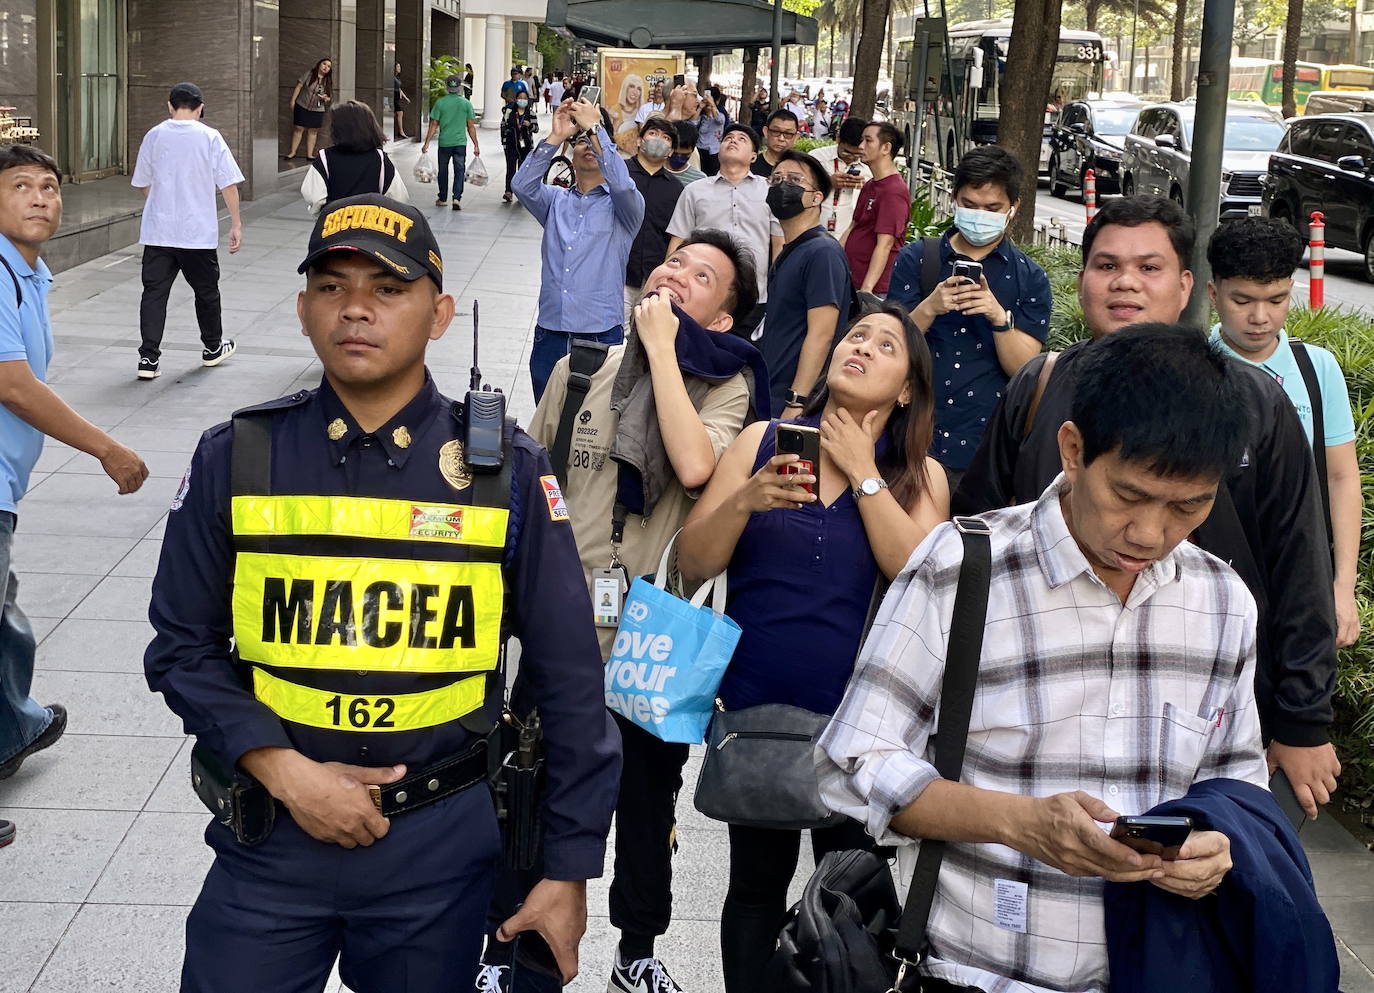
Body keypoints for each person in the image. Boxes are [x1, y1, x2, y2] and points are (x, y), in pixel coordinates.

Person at [144, 193, 620, 993]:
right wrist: (287, 771)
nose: (355, 308)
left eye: (387, 288)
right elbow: (181, 650)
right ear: (302, 309)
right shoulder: (240, 455)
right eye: (331, 287)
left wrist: (568, 870)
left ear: (439, 314)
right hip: (270, 840)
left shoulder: (503, 470)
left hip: (438, 856)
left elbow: (571, 677)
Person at [818, 322, 1280, 993]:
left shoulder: (1222, 601)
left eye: (1188, 506)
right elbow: (850, 761)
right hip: (975, 973)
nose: (1151, 533)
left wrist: (1222, 850)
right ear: (1072, 449)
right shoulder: (961, 566)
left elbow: (1234, 784)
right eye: (1128, 494)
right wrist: (1020, 822)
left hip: (1160, 970)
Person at [954, 196, 1342, 821]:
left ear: (1187, 285)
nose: (1125, 281)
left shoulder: (1252, 403)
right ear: (1081, 280)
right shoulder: (1039, 387)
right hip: (1039, 699)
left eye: (1149, 267)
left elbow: (1299, 561)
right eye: (1106, 265)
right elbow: (979, 533)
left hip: (1202, 712)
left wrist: (1302, 720)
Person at [676, 303, 948, 993]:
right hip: (759, 709)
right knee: (755, 886)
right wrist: (745, 501)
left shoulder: (921, 475)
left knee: (854, 895)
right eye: (856, 335)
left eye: (885, 345)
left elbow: (920, 578)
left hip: (865, 727)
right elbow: (693, 561)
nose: (861, 346)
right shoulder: (764, 441)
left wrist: (863, 472)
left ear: (908, 388)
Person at [526, 231, 767, 993]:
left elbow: (697, 466)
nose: (676, 275)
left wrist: (663, 350)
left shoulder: (725, 387)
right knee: (532, 787)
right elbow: (534, 483)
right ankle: (515, 941)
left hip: (653, 633)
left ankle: (635, 950)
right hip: (563, 624)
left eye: (702, 276)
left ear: (724, 320)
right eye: (672, 262)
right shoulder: (581, 365)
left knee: (644, 803)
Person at [0, 145, 150, 837]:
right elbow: (14, 385)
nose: (40, 197)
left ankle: (13, 729)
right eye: (21, 186)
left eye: (50, 187)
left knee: (6, 614)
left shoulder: (26, 270)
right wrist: (107, 447)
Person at [1207, 215, 1361, 649]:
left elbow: (1342, 478)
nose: (1260, 317)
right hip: (1213, 581)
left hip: (1300, 583)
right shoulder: (1192, 370)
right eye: (1243, 300)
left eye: (1276, 300)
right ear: (1213, 294)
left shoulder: (1317, 369)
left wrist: (1342, 588)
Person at [886, 146, 1049, 490]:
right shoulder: (918, 258)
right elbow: (890, 343)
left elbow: (1023, 368)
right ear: (955, 200)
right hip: (910, 434)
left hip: (982, 445)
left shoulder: (1029, 278)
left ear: (1012, 209)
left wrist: (998, 317)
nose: (980, 215)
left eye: (992, 208)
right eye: (970, 205)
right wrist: (930, 307)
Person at [513, 99, 645, 402]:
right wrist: (556, 137)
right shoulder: (555, 201)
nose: (588, 144)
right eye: (581, 140)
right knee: (547, 424)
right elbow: (522, 186)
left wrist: (596, 128)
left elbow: (623, 187)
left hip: (598, 335)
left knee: (591, 430)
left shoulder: (624, 207)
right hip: (551, 333)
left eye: (594, 140)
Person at [130, 81, 244, 381]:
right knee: (206, 292)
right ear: (200, 107)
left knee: (154, 294)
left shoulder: (154, 135)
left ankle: (148, 358)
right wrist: (235, 223)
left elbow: (142, 181)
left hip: (158, 231)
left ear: (170, 106)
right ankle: (212, 347)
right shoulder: (210, 137)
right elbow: (228, 184)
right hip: (198, 232)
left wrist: (160, 201)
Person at [759, 151, 853, 417]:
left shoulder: (822, 253)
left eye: (794, 179)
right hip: (771, 391)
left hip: (792, 402)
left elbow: (821, 334)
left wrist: (797, 400)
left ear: (816, 198)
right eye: (776, 178)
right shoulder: (791, 251)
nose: (782, 185)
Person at [667, 123, 781, 337]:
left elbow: (778, 244)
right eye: (728, 137)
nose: (733, 140)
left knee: (744, 360)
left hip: (755, 295)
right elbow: (678, 240)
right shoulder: (695, 190)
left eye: (742, 139)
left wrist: (778, 291)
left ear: (754, 157)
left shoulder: (769, 190)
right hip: (700, 293)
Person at [623, 118, 684, 322]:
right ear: (640, 141)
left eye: (666, 138)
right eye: (653, 133)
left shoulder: (676, 188)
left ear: (670, 151)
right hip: (616, 275)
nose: (659, 140)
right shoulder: (620, 175)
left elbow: (675, 235)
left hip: (653, 279)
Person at [301, 100, 410, 215]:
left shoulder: (325, 157)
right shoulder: (380, 159)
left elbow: (315, 198)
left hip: (335, 227)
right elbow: (399, 197)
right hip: (371, 227)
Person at [839, 121, 908, 295]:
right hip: (851, 280)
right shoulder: (870, 184)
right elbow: (853, 226)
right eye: (861, 140)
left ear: (886, 148)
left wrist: (866, 290)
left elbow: (885, 244)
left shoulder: (893, 191)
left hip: (874, 289)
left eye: (868, 141)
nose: (861, 146)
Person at [421, 74, 480, 211]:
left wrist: (426, 143)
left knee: (443, 171)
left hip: (444, 143)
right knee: (459, 170)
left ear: (447, 87)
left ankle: (442, 198)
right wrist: (476, 144)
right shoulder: (466, 103)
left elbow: (434, 124)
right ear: (460, 88)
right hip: (460, 143)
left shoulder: (440, 103)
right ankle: (456, 198)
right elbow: (470, 126)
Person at [809, 116, 870, 238]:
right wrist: (827, 183)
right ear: (838, 139)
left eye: (856, 154)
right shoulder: (817, 158)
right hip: (816, 231)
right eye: (846, 152)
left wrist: (867, 187)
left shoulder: (869, 166)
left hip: (851, 236)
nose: (851, 157)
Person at [288, 57, 334, 160]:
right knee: (299, 128)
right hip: (302, 105)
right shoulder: (309, 74)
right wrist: (293, 100)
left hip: (317, 109)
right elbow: (299, 86)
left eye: (328, 66)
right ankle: (292, 152)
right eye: (324, 64)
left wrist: (325, 98)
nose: (326, 67)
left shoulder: (327, 81)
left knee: (313, 131)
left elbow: (329, 97)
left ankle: (310, 155)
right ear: (319, 64)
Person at [500, 92, 539, 204]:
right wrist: (504, 142)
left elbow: (536, 129)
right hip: (511, 145)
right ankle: (508, 191)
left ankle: (521, 193)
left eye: (524, 98)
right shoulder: (509, 112)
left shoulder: (530, 113)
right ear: (516, 99)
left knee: (523, 170)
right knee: (510, 168)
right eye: (520, 98)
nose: (522, 100)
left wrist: (529, 125)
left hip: (525, 146)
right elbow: (503, 126)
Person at [751, 109, 800, 177]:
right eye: (776, 131)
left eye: (788, 133)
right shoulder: (750, 166)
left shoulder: (802, 169)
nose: (781, 138)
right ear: (766, 132)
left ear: (796, 137)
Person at [666, 121, 707, 186]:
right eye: (675, 154)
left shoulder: (700, 180)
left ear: (693, 151)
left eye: (685, 155)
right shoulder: (653, 169)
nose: (679, 158)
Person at [696, 91, 726, 176]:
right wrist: (700, 107)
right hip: (701, 149)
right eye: (707, 105)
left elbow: (719, 120)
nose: (708, 106)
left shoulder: (720, 116)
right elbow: (693, 123)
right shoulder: (702, 118)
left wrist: (712, 104)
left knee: (713, 176)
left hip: (713, 152)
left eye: (710, 105)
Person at [392, 62, 410, 139]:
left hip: (396, 97)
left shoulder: (397, 77)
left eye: (400, 67)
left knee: (398, 113)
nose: (399, 68)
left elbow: (399, 89)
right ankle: (401, 132)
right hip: (393, 97)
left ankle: (400, 132)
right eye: (398, 67)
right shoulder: (391, 77)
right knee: (400, 112)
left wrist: (405, 97)